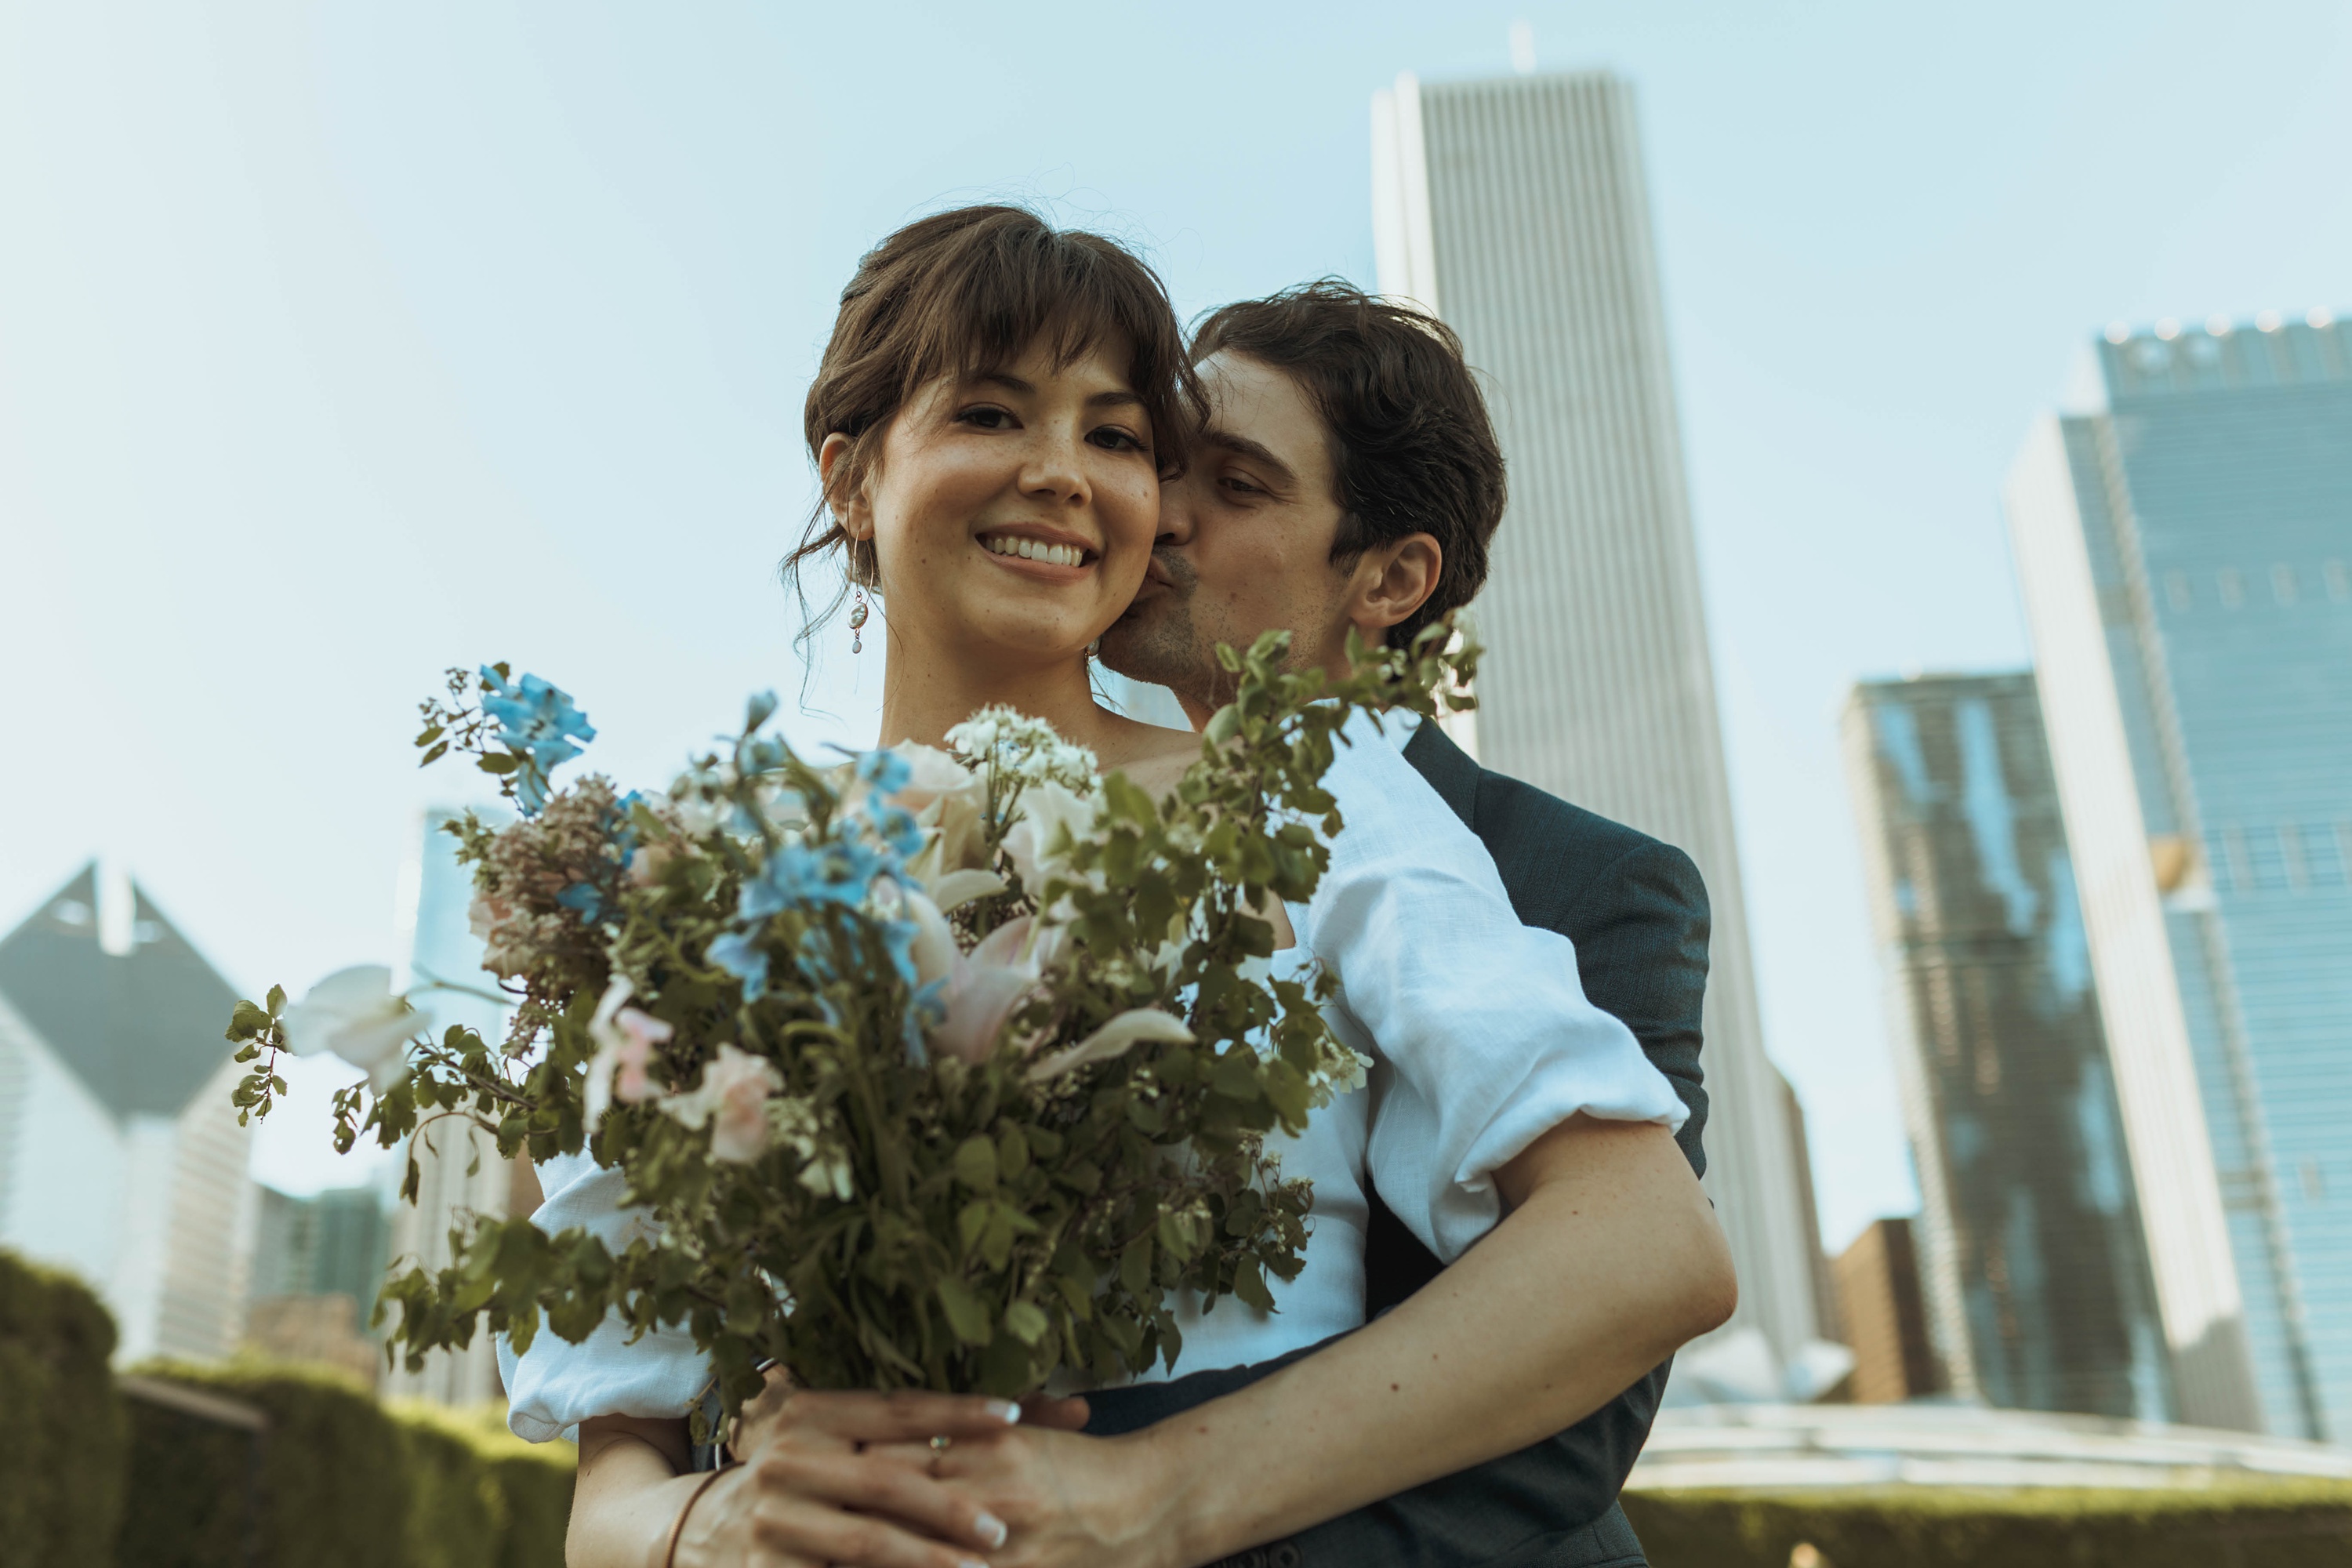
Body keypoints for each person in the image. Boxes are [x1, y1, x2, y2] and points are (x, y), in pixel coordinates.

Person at [521, 206, 1734, 1568]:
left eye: (1113, 437)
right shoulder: (711, 864)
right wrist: (708, 1527)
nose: (1062, 475)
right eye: (992, 413)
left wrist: (1136, 1496)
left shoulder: (1293, 787)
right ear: (852, 480)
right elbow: (613, 1473)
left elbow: (1645, 1245)